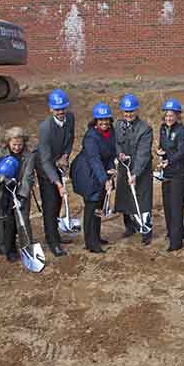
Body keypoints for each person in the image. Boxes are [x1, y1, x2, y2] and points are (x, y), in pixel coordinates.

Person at [0, 128, 36, 262]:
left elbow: (28, 177)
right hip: (3, 191)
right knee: (8, 222)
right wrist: (3, 179)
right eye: (14, 145)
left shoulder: (28, 156)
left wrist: (21, 195)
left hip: (19, 191)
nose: (17, 148)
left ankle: (27, 248)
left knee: (22, 220)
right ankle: (9, 249)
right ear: (8, 142)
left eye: (20, 144)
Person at [71, 103, 117, 254]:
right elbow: (94, 160)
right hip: (87, 173)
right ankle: (90, 243)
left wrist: (110, 171)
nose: (104, 123)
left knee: (99, 205)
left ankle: (96, 237)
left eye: (106, 120)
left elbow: (111, 153)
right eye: (100, 120)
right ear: (95, 121)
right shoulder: (91, 137)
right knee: (91, 205)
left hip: (101, 171)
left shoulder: (111, 132)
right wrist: (105, 180)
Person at [36, 89, 75, 257]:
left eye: (63, 108)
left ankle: (56, 235)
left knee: (58, 202)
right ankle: (52, 242)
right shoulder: (45, 128)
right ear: (51, 109)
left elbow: (70, 138)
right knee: (50, 204)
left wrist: (65, 156)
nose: (60, 112)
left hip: (58, 162)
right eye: (57, 109)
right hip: (46, 168)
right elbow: (45, 160)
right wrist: (58, 183)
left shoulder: (70, 118)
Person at [114, 93, 154, 245]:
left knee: (142, 201)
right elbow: (116, 143)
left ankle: (146, 232)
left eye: (131, 111)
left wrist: (136, 173)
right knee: (125, 198)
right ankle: (130, 226)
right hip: (125, 169)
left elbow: (143, 154)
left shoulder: (145, 129)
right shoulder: (118, 125)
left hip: (141, 171)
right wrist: (119, 154)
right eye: (126, 111)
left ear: (136, 111)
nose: (128, 114)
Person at [157, 98, 184, 252]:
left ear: (178, 116)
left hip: (179, 173)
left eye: (172, 115)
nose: (169, 118)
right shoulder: (163, 128)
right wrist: (159, 153)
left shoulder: (182, 131)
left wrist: (168, 160)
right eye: (167, 115)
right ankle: (172, 233)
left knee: (176, 206)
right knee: (167, 205)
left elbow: (182, 152)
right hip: (167, 172)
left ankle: (176, 242)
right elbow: (161, 146)